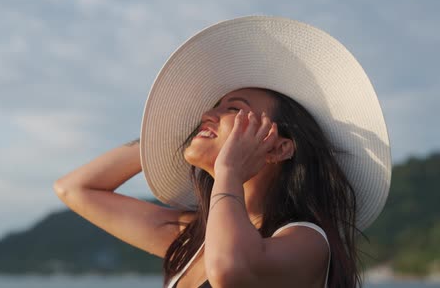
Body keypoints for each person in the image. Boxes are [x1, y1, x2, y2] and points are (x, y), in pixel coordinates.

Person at [54, 16, 391, 287]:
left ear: (280, 146)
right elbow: (75, 189)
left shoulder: (306, 240)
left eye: (233, 109)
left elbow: (230, 271)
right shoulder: (195, 236)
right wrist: (167, 134)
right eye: (211, 107)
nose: (207, 114)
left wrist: (228, 172)